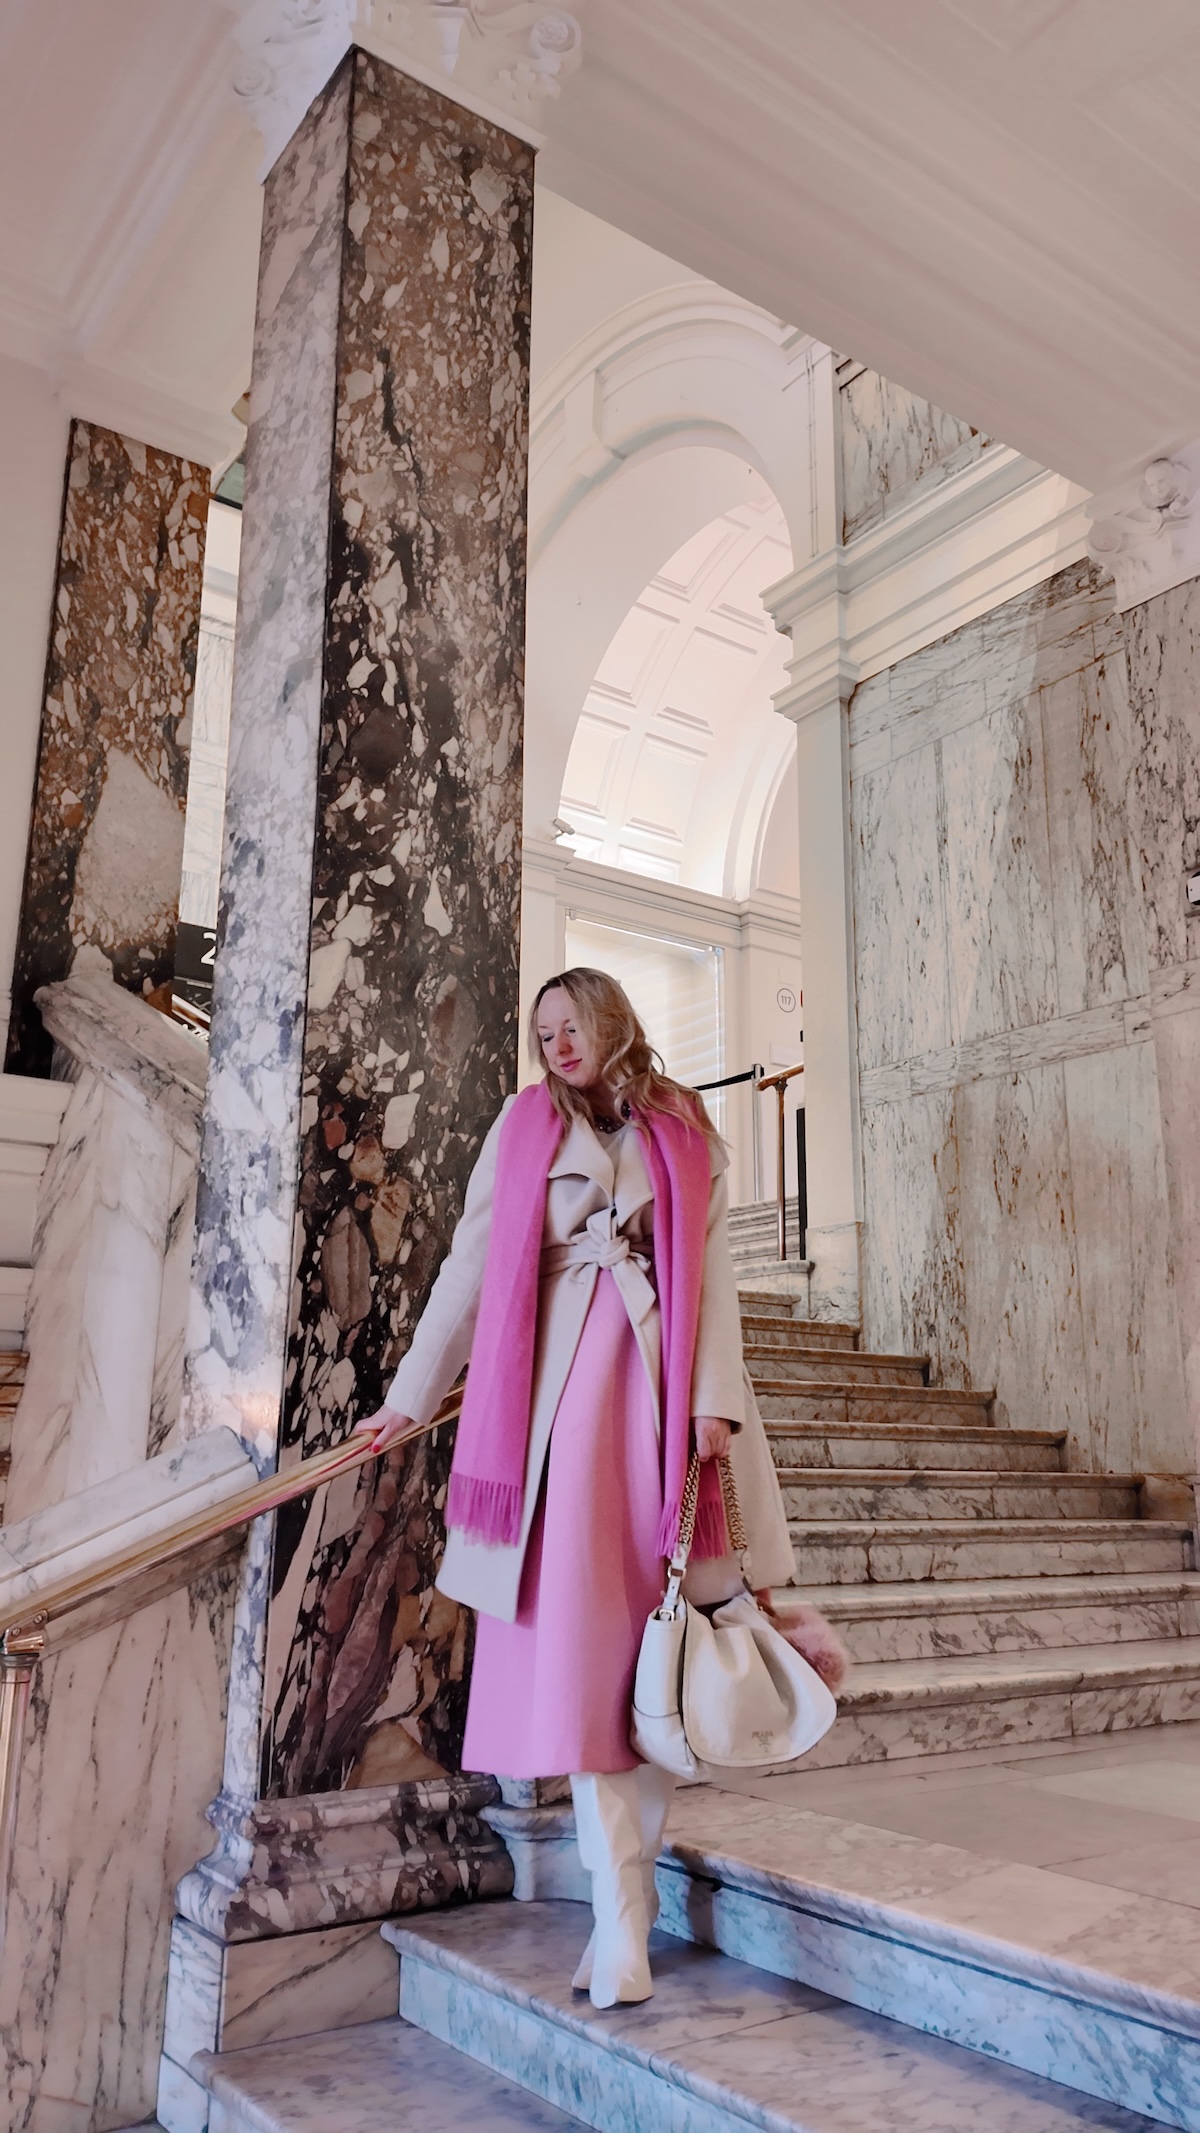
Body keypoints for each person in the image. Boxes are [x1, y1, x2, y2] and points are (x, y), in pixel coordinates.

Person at [354, 967, 795, 2007]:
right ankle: (620, 1914)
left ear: (612, 1021)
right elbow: (468, 1273)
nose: (555, 1043)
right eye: (539, 1029)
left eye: (572, 1024)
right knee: (592, 1670)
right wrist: (409, 1400)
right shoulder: (523, 1130)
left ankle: (623, 1911)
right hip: (559, 1428)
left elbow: (714, 1276)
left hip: (662, 1404)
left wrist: (713, 1403)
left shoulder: (683, 1129)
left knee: (655, 1670)